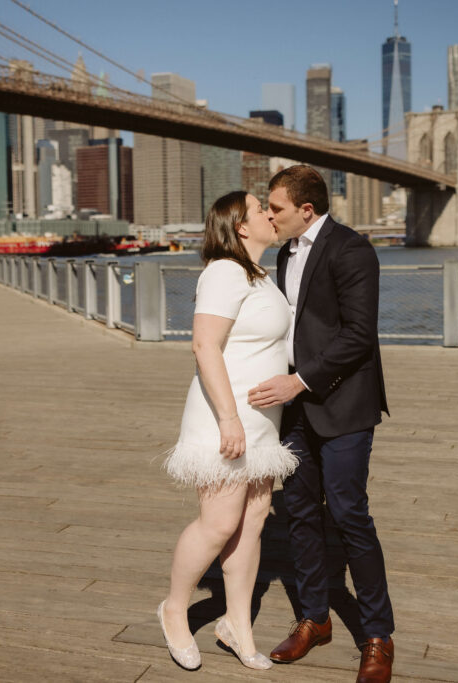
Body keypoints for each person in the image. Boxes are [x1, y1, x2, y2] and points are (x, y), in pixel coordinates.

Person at [248, 165, 395, 683]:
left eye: (277, 208)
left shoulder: (352, 249)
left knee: (350, 513)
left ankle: (378, 635)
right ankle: (315, 618)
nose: (270, 215)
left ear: (306, 210)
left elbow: (359, 336)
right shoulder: (284, 252)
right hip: (295, 411)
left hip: (344, 404)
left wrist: (299, 381)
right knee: (301, 514)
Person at [159, 191, 297, 672]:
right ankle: (175, 608)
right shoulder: (223, 271)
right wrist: (230, 419)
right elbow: (204, 345)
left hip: (261, 423)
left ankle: (236, 625)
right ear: (240, 225)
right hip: (226, 418)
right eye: (262, 208)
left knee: (255, 518)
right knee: (218, 522)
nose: (270, 214)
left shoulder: (259, 277)